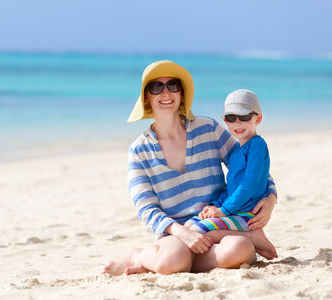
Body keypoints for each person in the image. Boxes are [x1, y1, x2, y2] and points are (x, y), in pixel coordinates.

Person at [103, 61, 278, 276]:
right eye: (156, 87)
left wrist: (271, 197)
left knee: (241, 250)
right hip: (174, 235)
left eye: (173, 85)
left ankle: (168, 262)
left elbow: (252, 168)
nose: (166, 92)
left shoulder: (209, 129)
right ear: (147, 96)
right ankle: (137, 256)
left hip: (217, 227)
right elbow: (146, 210)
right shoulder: (139, 150)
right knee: (174, 260)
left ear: (182, 93)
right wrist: (183, 233)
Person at [185, 89, 272, 234]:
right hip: (234, 210)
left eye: (244, 116)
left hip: (247, 214)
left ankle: (255, 237)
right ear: (225, 121)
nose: (237, 123)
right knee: (188, 225)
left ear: (258, 119)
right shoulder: (236, 150)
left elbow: (249, 184)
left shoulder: (257, 145)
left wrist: (224, 210)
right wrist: (215, 205)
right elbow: (232, 187)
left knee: (197, 230)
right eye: (231, 118)